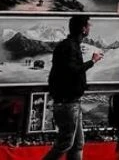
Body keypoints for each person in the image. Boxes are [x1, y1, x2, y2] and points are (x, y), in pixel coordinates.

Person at [43, 15, 103, 160]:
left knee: (77, 144)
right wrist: (92, 61)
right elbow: (73, 71)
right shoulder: (70, 47)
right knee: (65, 144)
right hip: (67, 103)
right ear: (83, 29)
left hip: (70, 102)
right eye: (88, 25)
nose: (90, 28)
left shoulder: (69, 45)